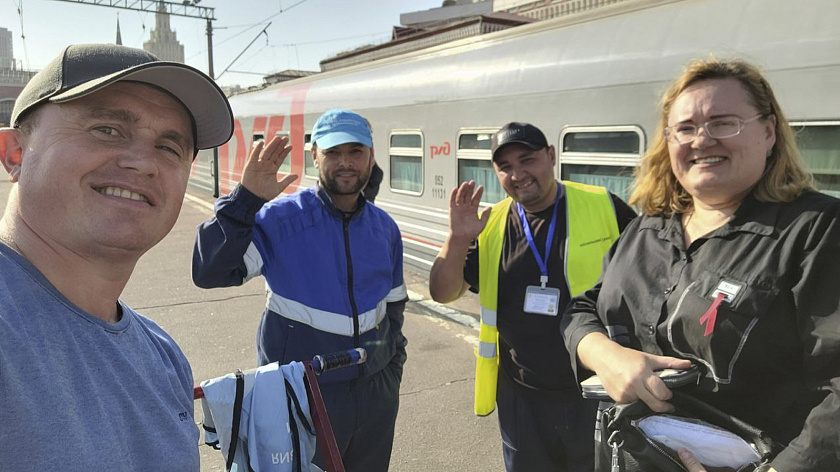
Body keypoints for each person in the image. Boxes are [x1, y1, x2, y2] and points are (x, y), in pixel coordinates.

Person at [561, 57, 840, 472]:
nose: (702, 139)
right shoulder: (648, 227)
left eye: (723, 123)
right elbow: (584, 309)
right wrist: (604, 354)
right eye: (685, 128)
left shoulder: (816, 231)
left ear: (768, 132)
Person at [0, 44, 233, 470]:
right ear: (15, 154)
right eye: (107, 129)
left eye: (169, 147)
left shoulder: (164, 357)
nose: (143, 163)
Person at [192, 108, 407, 472]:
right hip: (303, 396)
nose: (345, 163)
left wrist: (391, 371)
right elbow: (209, 271)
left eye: (355, 152)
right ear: (315, 156)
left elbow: (394, 310)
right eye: (333, 153)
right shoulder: (280, 218)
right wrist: (245, 201)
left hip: (375, 397)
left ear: (371, 157)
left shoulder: (384, 228)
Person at [429, 122, 636, 472]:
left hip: (598, 393)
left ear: (551, 156)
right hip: (523, 399)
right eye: (505, 167)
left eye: (527, 160)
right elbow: (443, 292)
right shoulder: (491, 223)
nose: (518, 174)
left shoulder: (603, 207)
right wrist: (458, 238)